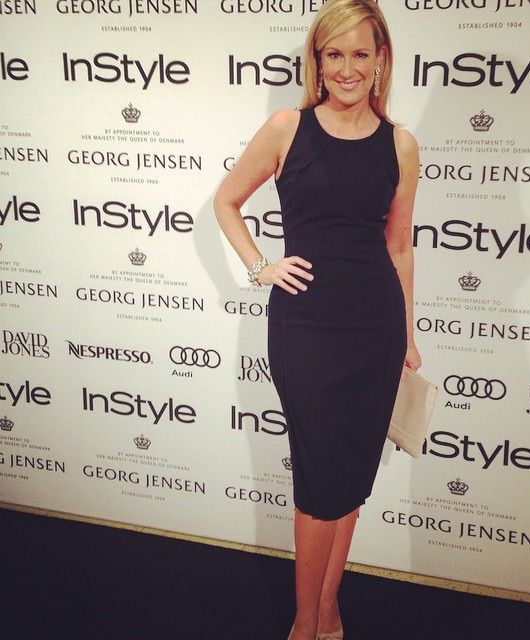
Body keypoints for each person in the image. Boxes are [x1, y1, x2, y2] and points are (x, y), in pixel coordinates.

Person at [213, 1, 421, 638]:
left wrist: (409, 336)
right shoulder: (287, 129)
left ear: (381, 60)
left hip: (375, 331)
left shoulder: (401, 144)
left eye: (361, 53)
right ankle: (306, 624)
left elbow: (399, 247)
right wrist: (260, 267)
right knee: (318, 479)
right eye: (335, 54)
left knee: (351, 475)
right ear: (318, 60)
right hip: (305, 330)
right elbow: (225, 201)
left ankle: (329, 610)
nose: (348, 68)